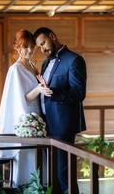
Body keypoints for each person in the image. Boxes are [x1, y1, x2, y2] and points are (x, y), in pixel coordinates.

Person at [0, 29, 52, 187]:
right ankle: (23, 187)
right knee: (25, 154)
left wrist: (43, 86)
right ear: (17, 48)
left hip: (38, 114)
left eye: (31, 46)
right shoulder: (15, 69)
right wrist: (39, 89)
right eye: (25, 47)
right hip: (25, 115)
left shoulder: (33, 66)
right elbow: (20, 98)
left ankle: (39, 187)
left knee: (37, 155)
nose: (29, 50)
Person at [33, 27, 87, 193]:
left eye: (43, 43)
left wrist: (54, 92)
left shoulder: (74, 60)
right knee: (51, 174)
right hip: (46, 125)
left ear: (53, 36)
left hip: (63, 125)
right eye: (40, 47)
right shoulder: (45, 63)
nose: (43, 49)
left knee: (64, 174)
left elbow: (78, 93)